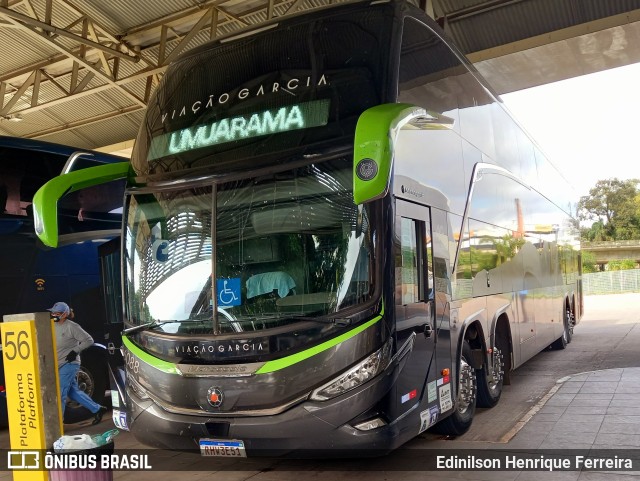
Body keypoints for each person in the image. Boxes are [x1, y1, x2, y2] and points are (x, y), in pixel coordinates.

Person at [48, 301, 107, 425]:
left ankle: (57, 426)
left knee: (60, 392)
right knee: (73, 392)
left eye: (57, 313)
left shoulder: (72, 327)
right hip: (57, 364)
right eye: (52, 313)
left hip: (69, 363)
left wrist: (75, 351)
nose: (53, 315)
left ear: (64, 314)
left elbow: (89, 340)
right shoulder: (52, 325)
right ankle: (97, 409)